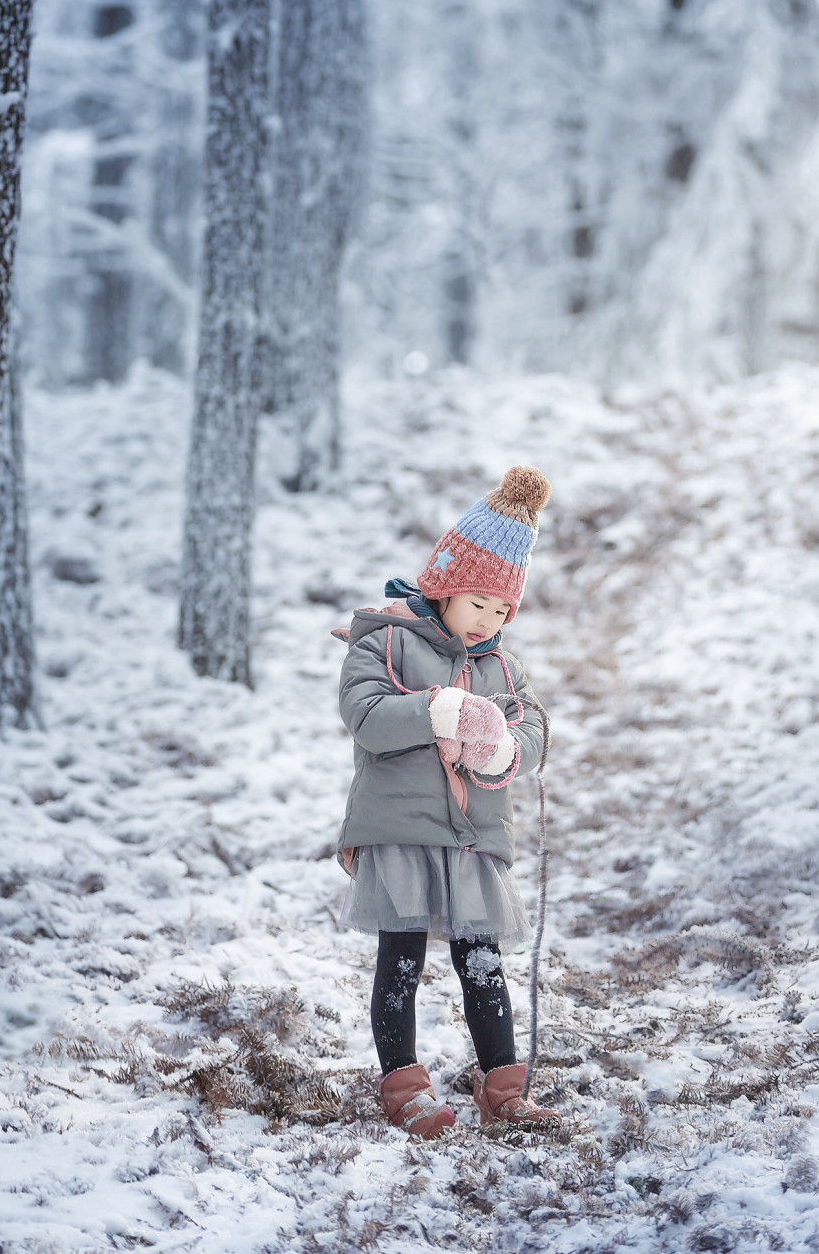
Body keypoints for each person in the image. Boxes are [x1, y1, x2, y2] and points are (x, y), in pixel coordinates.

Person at [336, 465, 561, 1138]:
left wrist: (501, 749)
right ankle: (403, 1085)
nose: (488, 622)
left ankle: (504, 1084)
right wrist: (437, 708)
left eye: (502, 611)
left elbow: (533, 728)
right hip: (402, 829)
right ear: (443, 582)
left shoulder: (502, 666)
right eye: (478, 605)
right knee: (400, 958)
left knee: (481, 959)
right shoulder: (385, 638)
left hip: (470, 837)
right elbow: (367, 715)